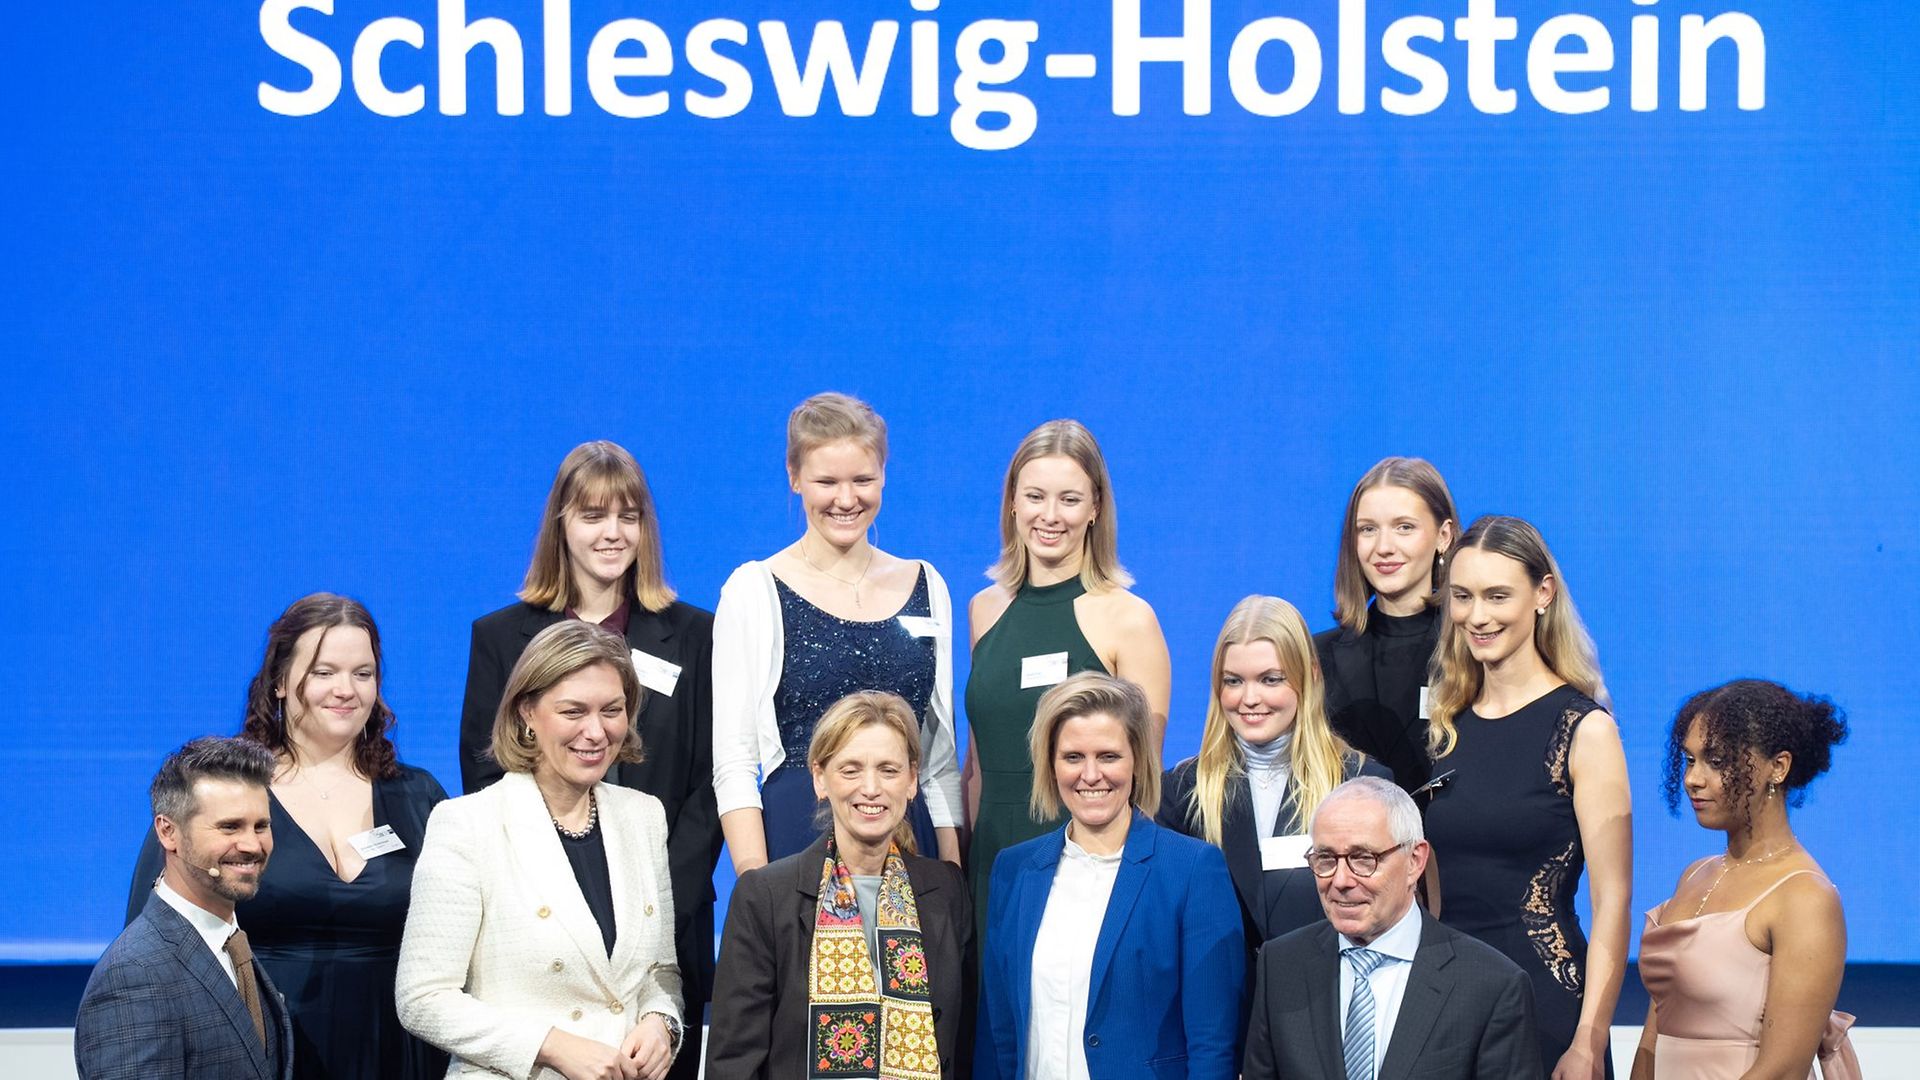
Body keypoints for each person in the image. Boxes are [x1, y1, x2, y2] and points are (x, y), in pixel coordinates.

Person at [459, 440, 718, 1078]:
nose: (612, 533)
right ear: (561, 525)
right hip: (539, 934)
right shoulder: (500, 636)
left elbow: (715, 783)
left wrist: (659, 901)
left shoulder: (696, 634)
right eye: (592, 515)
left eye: (628, 516)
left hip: (668, 928)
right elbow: (487, 769)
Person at [125, 593, 448, 1079]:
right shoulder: (223, 793)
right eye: (323, 672)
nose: (346, 689)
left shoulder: (419, 795)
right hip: (261, 1049)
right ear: (279, 682)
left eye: (363, 673)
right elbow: (153, 937)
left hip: (402, 1052)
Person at [398, 621, 683, 1080]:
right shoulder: (467, 824)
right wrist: (551, 1046)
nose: (595, 732)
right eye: (573, 712)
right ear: (527, 712)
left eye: (612, 710)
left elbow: (660, 974)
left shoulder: (643, 817)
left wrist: (660, 1023)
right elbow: (423, 998)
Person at [712, 392, 962, 874]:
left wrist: (951, 875)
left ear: (884, 474)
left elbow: (937, 762)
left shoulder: (927, 583)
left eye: (862, 480)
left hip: (911, 841)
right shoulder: (753, 589)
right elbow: (735, 762)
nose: (846, 500)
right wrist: (756, 886)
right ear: (794, 478)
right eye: (826, 481)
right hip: (799, 839)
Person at [1421, 516, 1632, 1080]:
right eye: (1463, 597)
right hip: (1443, 997)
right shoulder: (1445, 726)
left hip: (1544, 1005)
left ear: (1543, 594)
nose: (1477, 616)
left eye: (1497, 596)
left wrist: (1588, 1042)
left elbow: (1612, 904)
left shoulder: (1585, 730)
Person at [963, 419, 1171, 948]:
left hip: (1087, 859)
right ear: (1012, 501)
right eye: (1035, 496)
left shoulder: (1130, 618)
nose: (1050, 516)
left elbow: (1143, 780)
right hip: (991, 860)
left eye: (1069, 499)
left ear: (1096, 507)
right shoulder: (984, 611)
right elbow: (978, 763)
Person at [975, 672, 1242, 1080]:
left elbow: (1212, 1045)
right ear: (1050, 764)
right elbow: (998, 1034)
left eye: (1108, 756)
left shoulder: (1191, 869)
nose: (1091, 774)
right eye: (1073, 757)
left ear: (1137, 759)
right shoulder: (1014, 870)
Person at [706, 691, 974, 1078]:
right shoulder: (764, 897)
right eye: (850, 770)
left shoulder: (947, 890)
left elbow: (962, 1041)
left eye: (888, 769)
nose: (871, 787)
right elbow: (732, 1063)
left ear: (912, 780)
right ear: (819, 778)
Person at [1632, 680, 1860, 1080]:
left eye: (1717, 762)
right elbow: (1654, 1036)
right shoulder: (1695, 875)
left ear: (1779, 767)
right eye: (1690, 760)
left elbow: (1782, 1069)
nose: (1693, 779)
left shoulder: (1805, 897)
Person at [1242, 777, 1539, 1080]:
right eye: (1326, 859)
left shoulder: (1491, 985)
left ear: (1414, 860)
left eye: (1363, 858)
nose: (1341, 880)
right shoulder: (1281, 965)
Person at [1159, 595, 1392, 959]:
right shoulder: (1180, 793)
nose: (1249, 698)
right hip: (1225, 1005)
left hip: (1326, 1000)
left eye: (1270, 679)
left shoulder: (1363, 785)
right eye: (1233, 681)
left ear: (1310, 674)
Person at [79, 737, 293, 1080]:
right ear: (168, 832)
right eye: (229, 826)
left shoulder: (233, 946)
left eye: (261, 826)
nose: (252, 845)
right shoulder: (135, 974)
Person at [1314, 457, 1459, 793]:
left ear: (1444, 536)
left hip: (1453, 842)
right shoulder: (1316, 657)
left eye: (1404, 527)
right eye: (1368, 529)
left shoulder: (1474, 648)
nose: (1383, 548)